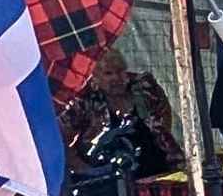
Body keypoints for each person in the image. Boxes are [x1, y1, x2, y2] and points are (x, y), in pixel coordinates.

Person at [61, 48, 185, 176]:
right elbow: (62, 136)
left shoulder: (145, 88)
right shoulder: (84, 99)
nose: (116, 78)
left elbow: (164, 115)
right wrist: (83, 168)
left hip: (157, 167)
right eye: (108, 73)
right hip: (104, 174)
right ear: (95, 77)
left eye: (120, 71)